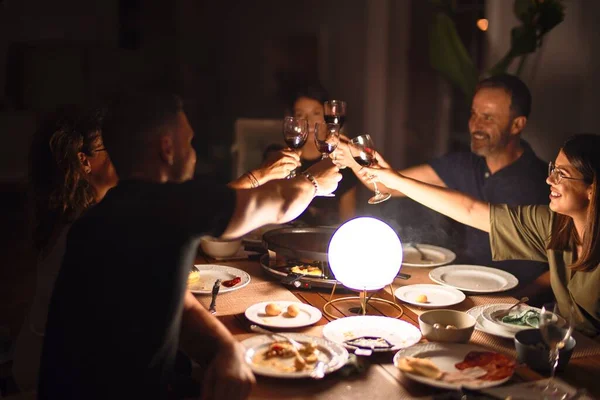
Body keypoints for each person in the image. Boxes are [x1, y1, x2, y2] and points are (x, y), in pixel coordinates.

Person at [37, 91, 341, 400]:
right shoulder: (168, 205)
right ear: (168, 148)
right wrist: (315, 182)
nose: (194, 154)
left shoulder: (100, 217)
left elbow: (175, 299)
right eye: (190, 142)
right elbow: (279, 205)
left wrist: (225, 348)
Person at [359, 133, 600, 338]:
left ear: (592, 189)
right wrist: (397, 181)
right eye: (553, 170)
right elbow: (471, 210)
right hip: (564, 345)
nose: (550, 179)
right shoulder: (552, 224)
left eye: (562, 174)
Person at [334, 74, 549, 287]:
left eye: (488, 117)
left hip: (521, 300)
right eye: (473, 114)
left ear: (517, 125)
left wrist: (526, 297)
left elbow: (566, 263)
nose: (475, 125)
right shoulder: (463, 164)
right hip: (464, 282)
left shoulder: (546, 183)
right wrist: (353, 158)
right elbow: (386, 185)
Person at [12, 106, 118, 392]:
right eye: (110, 146)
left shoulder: (72, 214)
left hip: (40, 361)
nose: (120, 153)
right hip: (50, 375)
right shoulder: (83, 228)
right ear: (84, 161)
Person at [266, 83, 358, 226]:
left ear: (328, 118)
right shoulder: (281, 161)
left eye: (316, 113)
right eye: (300, 115)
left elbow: (348, 221)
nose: (308, 122)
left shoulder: (341, 165)